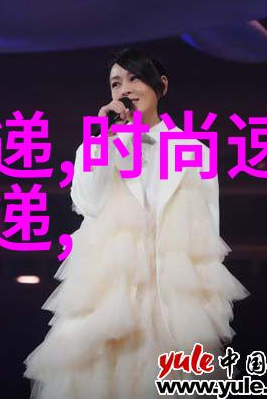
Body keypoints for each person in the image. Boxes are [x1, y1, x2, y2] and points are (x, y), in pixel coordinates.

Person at [23, 47, 250, 398]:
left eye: (135, 78)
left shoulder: (195, 152)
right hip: (109, 300)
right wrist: (102, 140)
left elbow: (209, 234)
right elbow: (87, 203)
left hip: (173, 303)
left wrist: (208, 307)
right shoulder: (97, 147)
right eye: (116, 84)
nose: (125, 89)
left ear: (162, 85)